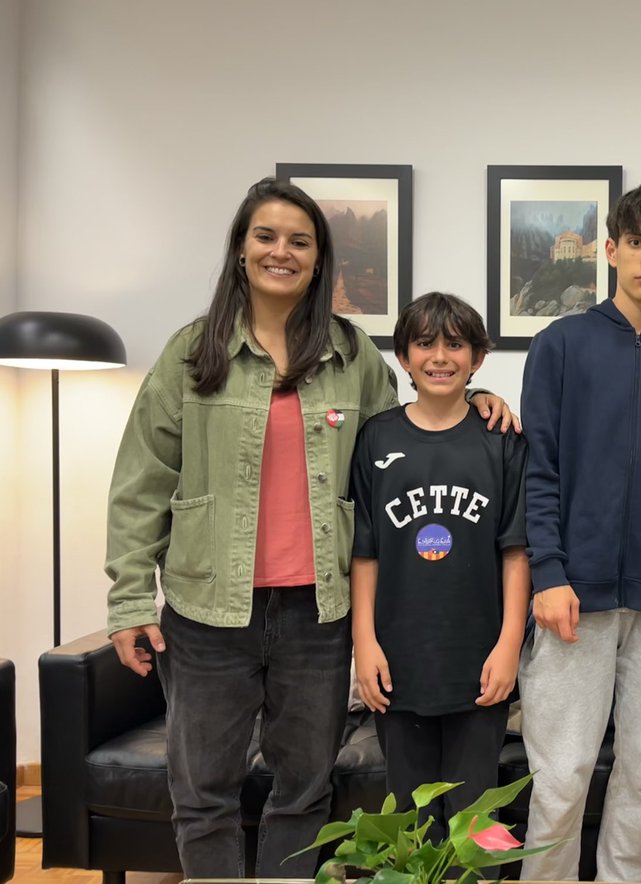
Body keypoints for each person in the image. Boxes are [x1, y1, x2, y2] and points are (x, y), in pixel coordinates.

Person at [104, 178, 514, 879]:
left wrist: (474, 395)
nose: (281, 252)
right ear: (240, 250)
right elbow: (140, 484)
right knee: (203, 792)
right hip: (208, 612)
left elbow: (410, 432)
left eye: (300, 241)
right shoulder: (189, 354)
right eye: (266, 236)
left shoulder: (352, 356)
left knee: (304, 791)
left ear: (320, 260)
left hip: (316, 615)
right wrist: (128, 603)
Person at [518, 183, 641, 882]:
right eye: (638, 243)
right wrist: (548, 574)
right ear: (611, 250)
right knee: (563, 775)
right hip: (575, 597)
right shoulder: (560, 345)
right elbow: (538, 470)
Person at [348, 292, 529, 837]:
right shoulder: (376, 437)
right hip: (398, 659)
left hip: (479, 659)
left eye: (456, 344)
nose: (440, 356)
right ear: (403, 357)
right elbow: (364, 552)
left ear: (477, 357)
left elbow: (515, 551)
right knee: (409, 817)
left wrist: (509, 646)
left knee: (477, 820)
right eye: (425, 344)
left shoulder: (501, 438)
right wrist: (365, 643)